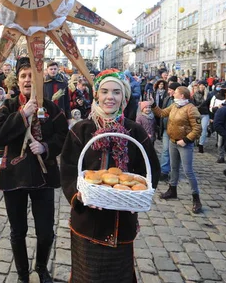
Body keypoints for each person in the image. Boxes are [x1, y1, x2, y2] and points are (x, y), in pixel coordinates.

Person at [60, 69, 160, 283]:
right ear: (96, 95)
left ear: (124, 97)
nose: (109, 97)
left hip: (122, 221)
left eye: (116, 92)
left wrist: (138, 197)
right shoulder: (81, 130)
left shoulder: (135, 132)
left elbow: (150, 170)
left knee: (119, 276)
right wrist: (78, 196)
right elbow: (68, 169)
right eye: (104, 91)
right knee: (86, 275)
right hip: (87, 220)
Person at [0, 57, 69, 283]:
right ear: (18, 79)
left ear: (39, 78)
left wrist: (46, 146)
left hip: (43, 177)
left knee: (46, 232)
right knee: (18, 231)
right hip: (14, 178)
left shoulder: (52, 107)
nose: (27, 80)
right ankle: (23, 274)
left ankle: (42, 268)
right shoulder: (8, 105)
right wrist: (22, 115)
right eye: (23, 76)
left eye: (31, 76)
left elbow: (63, 136)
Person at [151, 85, 203, 213]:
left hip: (185, 144)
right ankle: (172, 190)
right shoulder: (174, 105)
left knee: (188, 171)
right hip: (172, 141)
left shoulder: (191, 109)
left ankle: (196, 198)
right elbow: (162, 113)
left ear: (182, 95)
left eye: (176, 93)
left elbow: (197, 129)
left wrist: (186, 140)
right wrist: (153, 105)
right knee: (174, 168)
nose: (173, 94)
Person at [192, 80, 209, 153]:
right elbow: (193, 103)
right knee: (196, 129)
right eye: (200, 85)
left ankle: (201, 144)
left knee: (204, 129)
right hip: (197, 114)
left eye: (203, 85)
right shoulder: (195, 94)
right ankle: (195, 140)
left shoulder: (209, 94)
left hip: (205, 114)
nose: (202, 86)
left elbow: (209, 105)